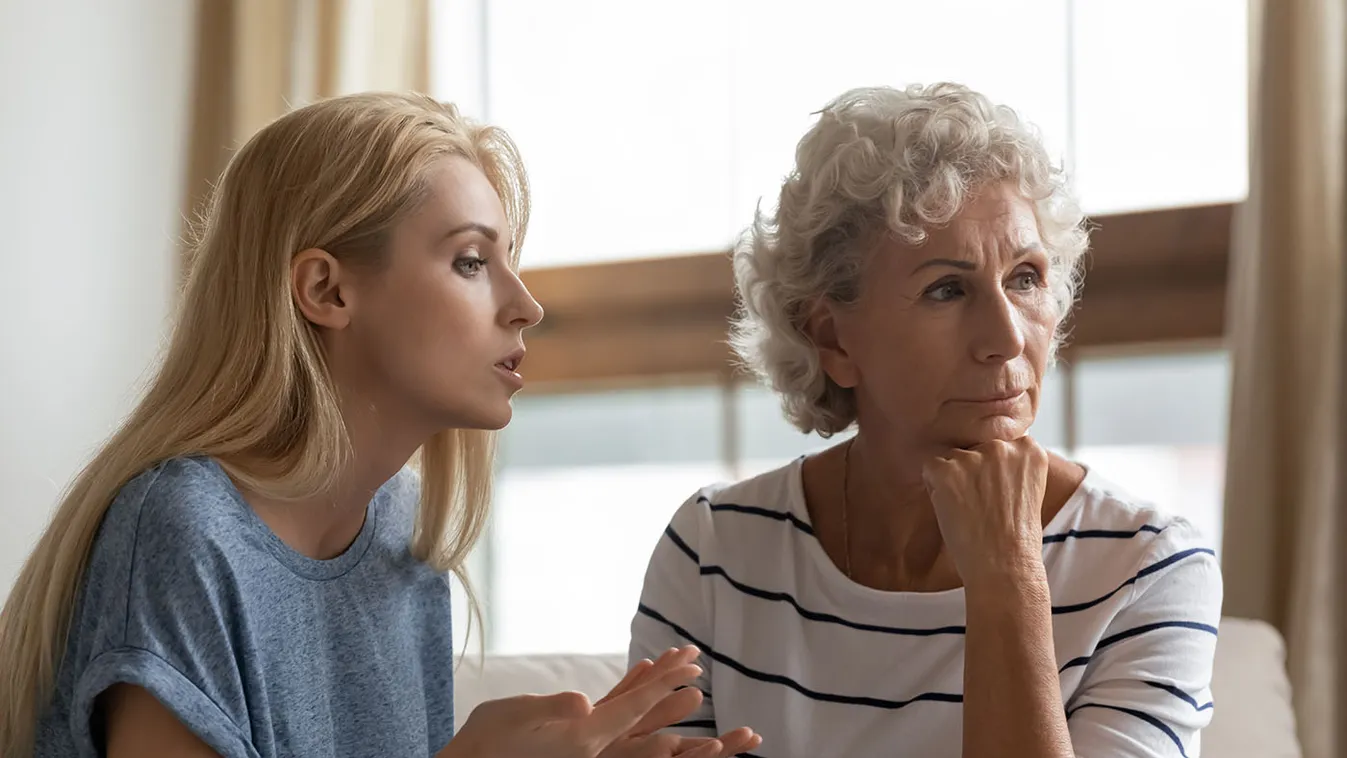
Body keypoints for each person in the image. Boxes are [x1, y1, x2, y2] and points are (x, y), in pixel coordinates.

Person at [0, 92, 760, 758]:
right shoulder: (181, 530)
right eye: (470, 261)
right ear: (326, 289)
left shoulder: (403, 537)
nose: (525, 304)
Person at [629, 83, 1223, 757]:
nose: (1005, 336)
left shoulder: (1148, 565)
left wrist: (1008, 577)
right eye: (947, 289)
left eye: (1025, 278)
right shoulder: (713, 548)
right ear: (832, 340)